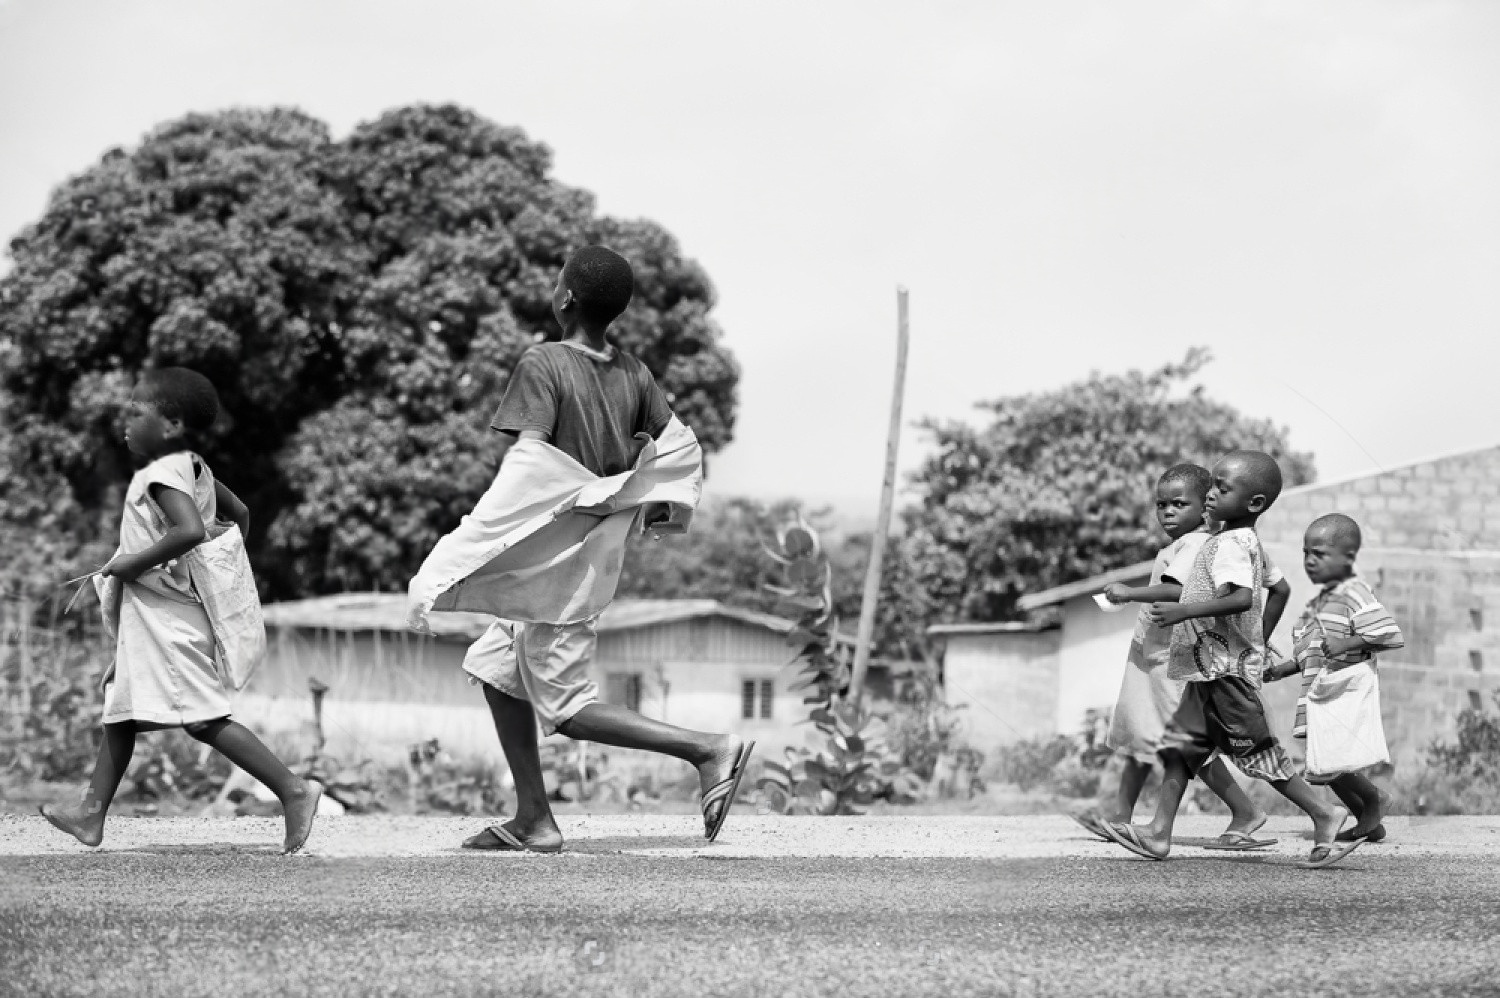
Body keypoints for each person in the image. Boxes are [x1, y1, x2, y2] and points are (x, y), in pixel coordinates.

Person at [415, 245, 752, 853]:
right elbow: (679, 449)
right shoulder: (635, 374)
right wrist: (652, 501)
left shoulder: (543, 362)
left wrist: (481, 534)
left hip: (562, 563)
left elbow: (529, 463)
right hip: (584, 550)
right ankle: (534, 821)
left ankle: (707, 749)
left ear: (565, 297)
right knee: (496, 671)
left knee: (566, 708)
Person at [39, 368, 320, 853]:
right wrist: (214, 574)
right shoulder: (195, 467)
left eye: (135, 412)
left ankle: (293, 791)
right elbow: (241, 515)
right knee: (121, 710)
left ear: (170, 425)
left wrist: (130, 564)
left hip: (167, 617)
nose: (124, 421)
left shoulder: (160, 472)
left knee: (202, 719)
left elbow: (189, 530)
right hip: (157, 617)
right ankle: (90, 813)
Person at [1100, 450, 1362, 868]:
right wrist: (1255, 638)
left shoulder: (1232, 544)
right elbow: (1275, 591)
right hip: (1208, 671)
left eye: (1222, 488)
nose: (1211, 494)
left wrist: (1186, 610)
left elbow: (1240, 598)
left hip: (1225, 675)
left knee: (1259, 755)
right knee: (1180, 748)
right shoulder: (1233, 541)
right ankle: (1158, 833)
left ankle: (1324, 813)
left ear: (1254, 503)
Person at [1077, 464, 1270, 850]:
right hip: (1148, 652)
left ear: (1204, 508)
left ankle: (1244, 810)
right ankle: (1121, 819)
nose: (1167, 512)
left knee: (1182, 744)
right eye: (1161, 504)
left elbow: (1175, 592)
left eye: (1178, 504)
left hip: (1172, 658)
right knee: (1137, 732)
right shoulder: (1173, 546)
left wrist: (1130, 594)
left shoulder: (1196, 545)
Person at [1264, 513, 1403, 843]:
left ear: (1348, 557)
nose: (1310, 561)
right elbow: (1310, 651)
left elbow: (1390, 634)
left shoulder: (1355, 593)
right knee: (1325, 763)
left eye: (1320, 554)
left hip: (1341, 694)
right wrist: (1280, 671)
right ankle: (1370, 820)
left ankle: (1374, 799)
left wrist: (1347, 643)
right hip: (1320, 694)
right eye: (1306, 553)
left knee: (1329, 763)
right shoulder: (1320, 602)